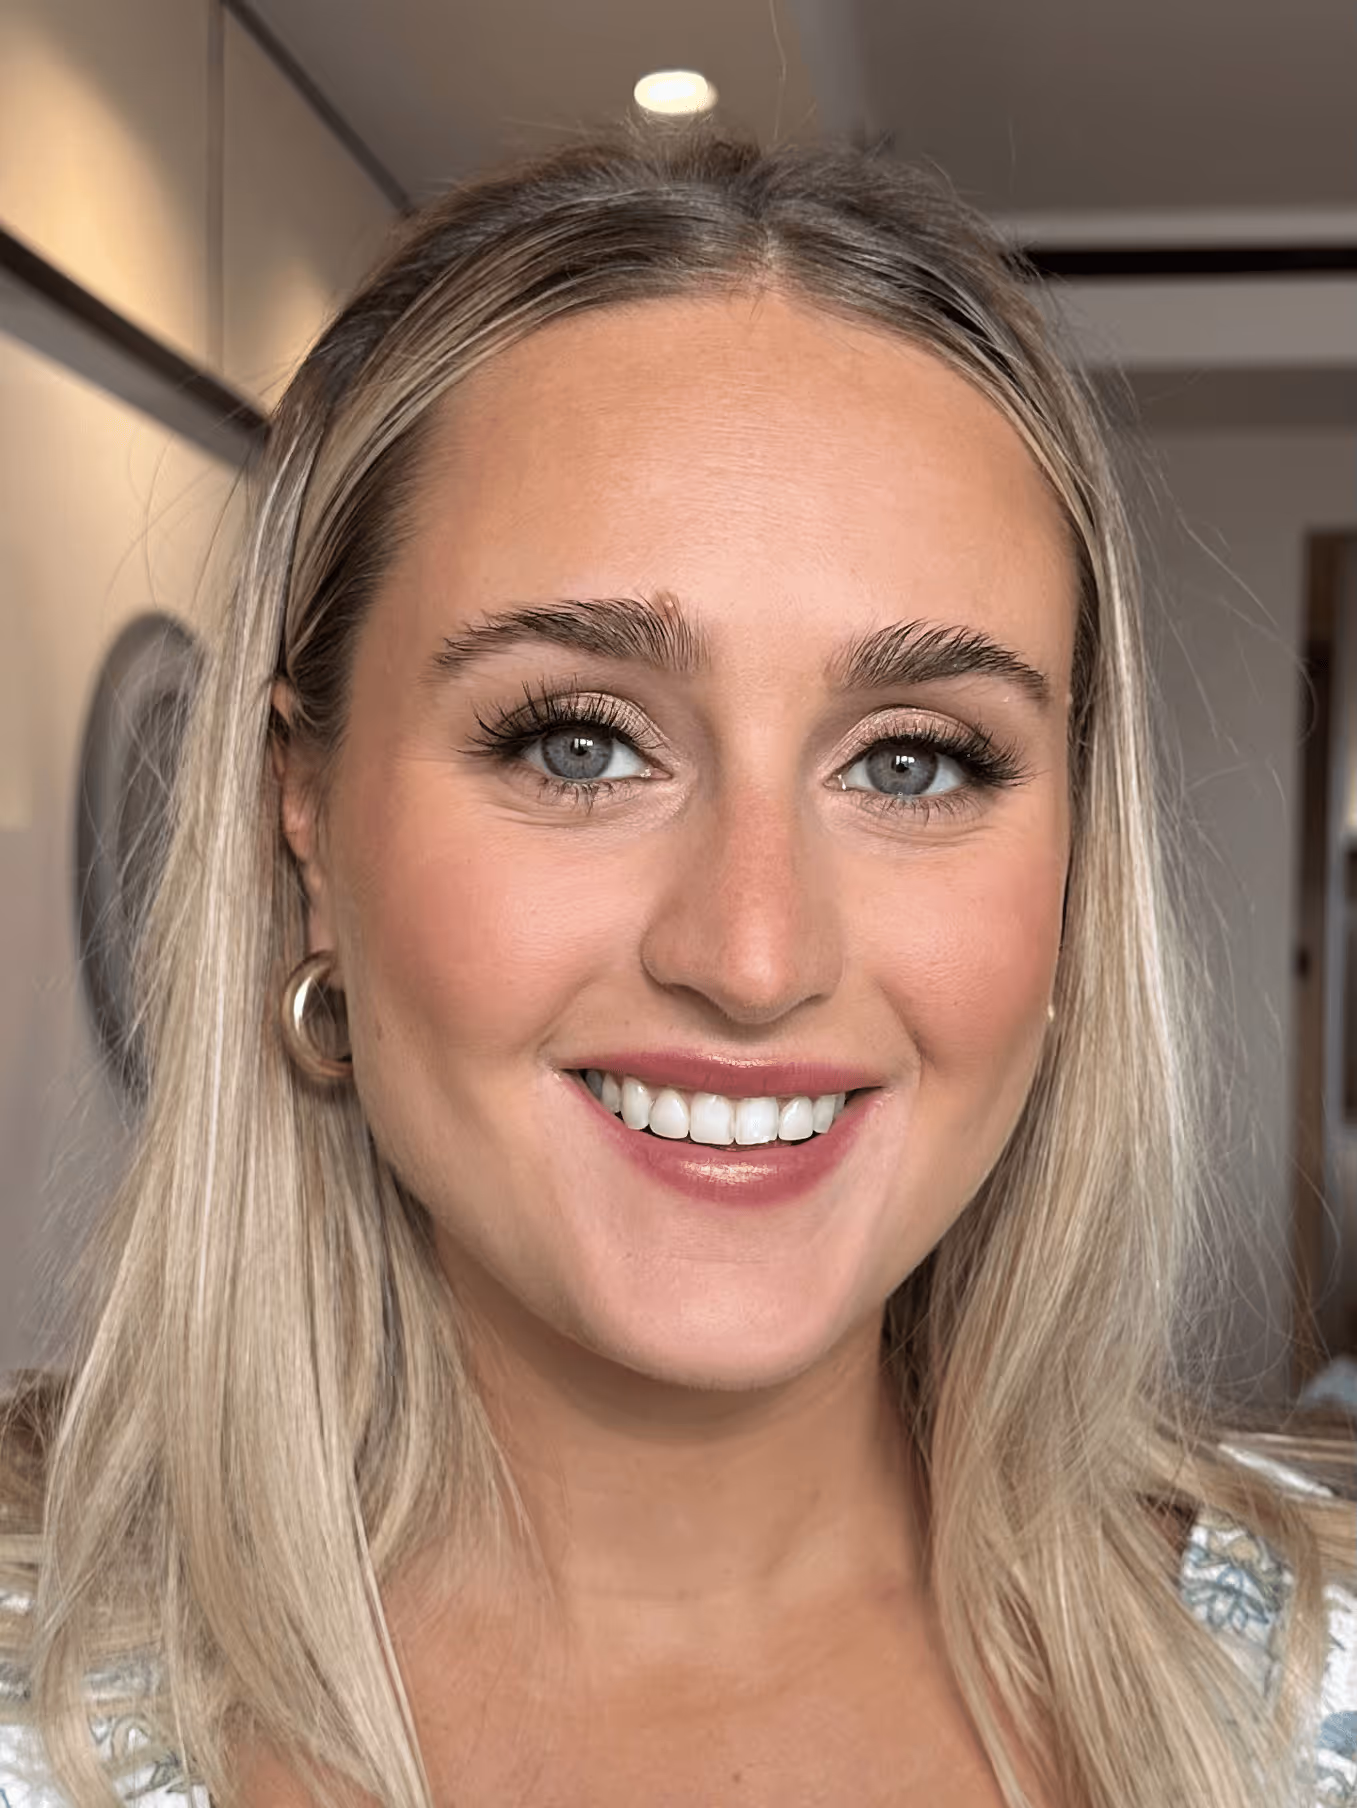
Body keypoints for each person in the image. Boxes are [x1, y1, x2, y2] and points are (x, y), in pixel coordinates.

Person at [0, 126, 1353, 1808]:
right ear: (307, 829)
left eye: (916, 762)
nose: (755, 952)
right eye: (579, 744)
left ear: (1074, 877)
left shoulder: (1314, 1696)